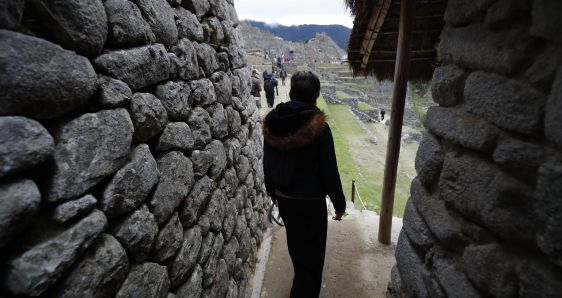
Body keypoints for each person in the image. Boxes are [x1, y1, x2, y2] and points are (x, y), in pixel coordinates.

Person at [262, 71, 346, 298]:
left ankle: (300, 284)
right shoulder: (319, 128)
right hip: (310, 202)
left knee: (297, 248)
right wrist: (340, 204)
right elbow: (330, 171)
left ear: (290, 93)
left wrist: (273, 192)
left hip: (286, 198)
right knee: (314, 256)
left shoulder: (273, 123)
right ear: (316, 96)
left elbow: (267, 162)